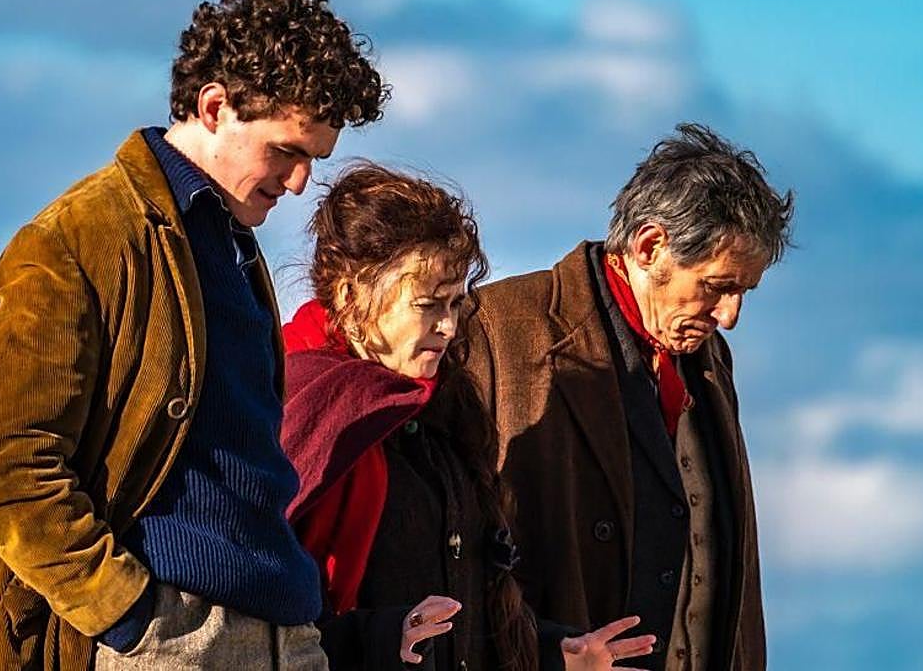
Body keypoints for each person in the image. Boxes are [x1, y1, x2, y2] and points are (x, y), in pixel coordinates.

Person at [0, 0, 388, 671]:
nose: (303, 180)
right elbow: (5, 463)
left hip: (285, 634)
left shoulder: (230, 242)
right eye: (286, 150)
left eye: (314, 157)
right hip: (171, 641)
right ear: (213, 106)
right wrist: (131, 619)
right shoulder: (73, 241)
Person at [281, 163, 657, 671]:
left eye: (456, 304)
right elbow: (253, 614)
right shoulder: (299, 402)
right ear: (351, 296)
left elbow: (467, 609)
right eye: (428, 304)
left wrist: (551, 653)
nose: (448, 325)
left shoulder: (444, 411)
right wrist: (375, 639)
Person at [468, 124, 793, 670]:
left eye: (742, 291)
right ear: (649, 246)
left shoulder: (705, 352)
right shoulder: (495, 328)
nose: (730, 317)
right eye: (717, 286)